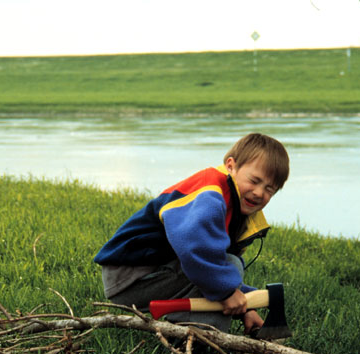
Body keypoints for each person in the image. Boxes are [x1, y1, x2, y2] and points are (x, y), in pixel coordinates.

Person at [94, 132, 289, 335]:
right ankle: (200, 340)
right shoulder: (209, 194)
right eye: (254, 180)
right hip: (131, 277)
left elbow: (213, 265)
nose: (259, 193)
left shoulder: (238, 211)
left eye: (270, 189)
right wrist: (227, 291)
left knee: (227, 268)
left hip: (151, 274)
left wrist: (245, 306)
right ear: (231, 166)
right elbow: (193, 248)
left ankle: (193, 330)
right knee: (229, 266)